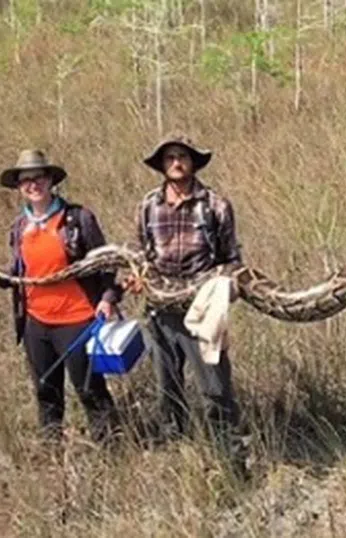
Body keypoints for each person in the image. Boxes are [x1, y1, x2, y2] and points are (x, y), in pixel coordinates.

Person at [121, 133, 250, 479]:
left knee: (215, 388)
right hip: (160, 311)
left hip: (204, 310)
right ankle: (177, 458)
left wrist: (224, 287)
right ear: (162, 165)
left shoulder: (215, 205)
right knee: (169, 388)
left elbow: (231, 260)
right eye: (170, 157)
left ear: (193, 162)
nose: (176, 162)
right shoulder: (148, 205)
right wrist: (135, 279)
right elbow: (140, 255)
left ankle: (231, 459)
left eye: (183, 156)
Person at [0, 149, 122, 446]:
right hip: (36, 323)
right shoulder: (19, 228)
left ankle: (112, 450)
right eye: (25, 180)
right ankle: (51, 449)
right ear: (19, 187)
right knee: (45, 389)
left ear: (51, 180)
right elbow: (21, 276)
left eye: (38, 177)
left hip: (78, 320)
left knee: (89, 388)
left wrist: (107, 298)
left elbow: (107, 264)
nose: (32, 184)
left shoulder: (77, 218)